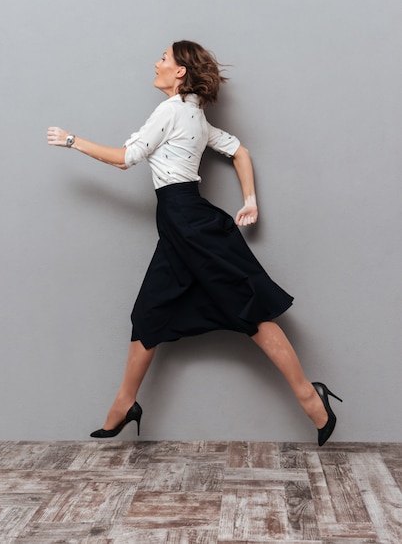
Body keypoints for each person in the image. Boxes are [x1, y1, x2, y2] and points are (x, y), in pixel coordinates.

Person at [47, 40, 342, 446]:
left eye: (163, 58)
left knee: (248, 311)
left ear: (180, 71)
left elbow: (124, 158)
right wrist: (249, 201)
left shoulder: (171, 111)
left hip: (191, 225)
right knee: (149, 315)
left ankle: (311, 397)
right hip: (179, 228)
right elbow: (240, 150)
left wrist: (71, 140)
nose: (156, 62)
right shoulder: (194, 115)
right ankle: (124, 403)